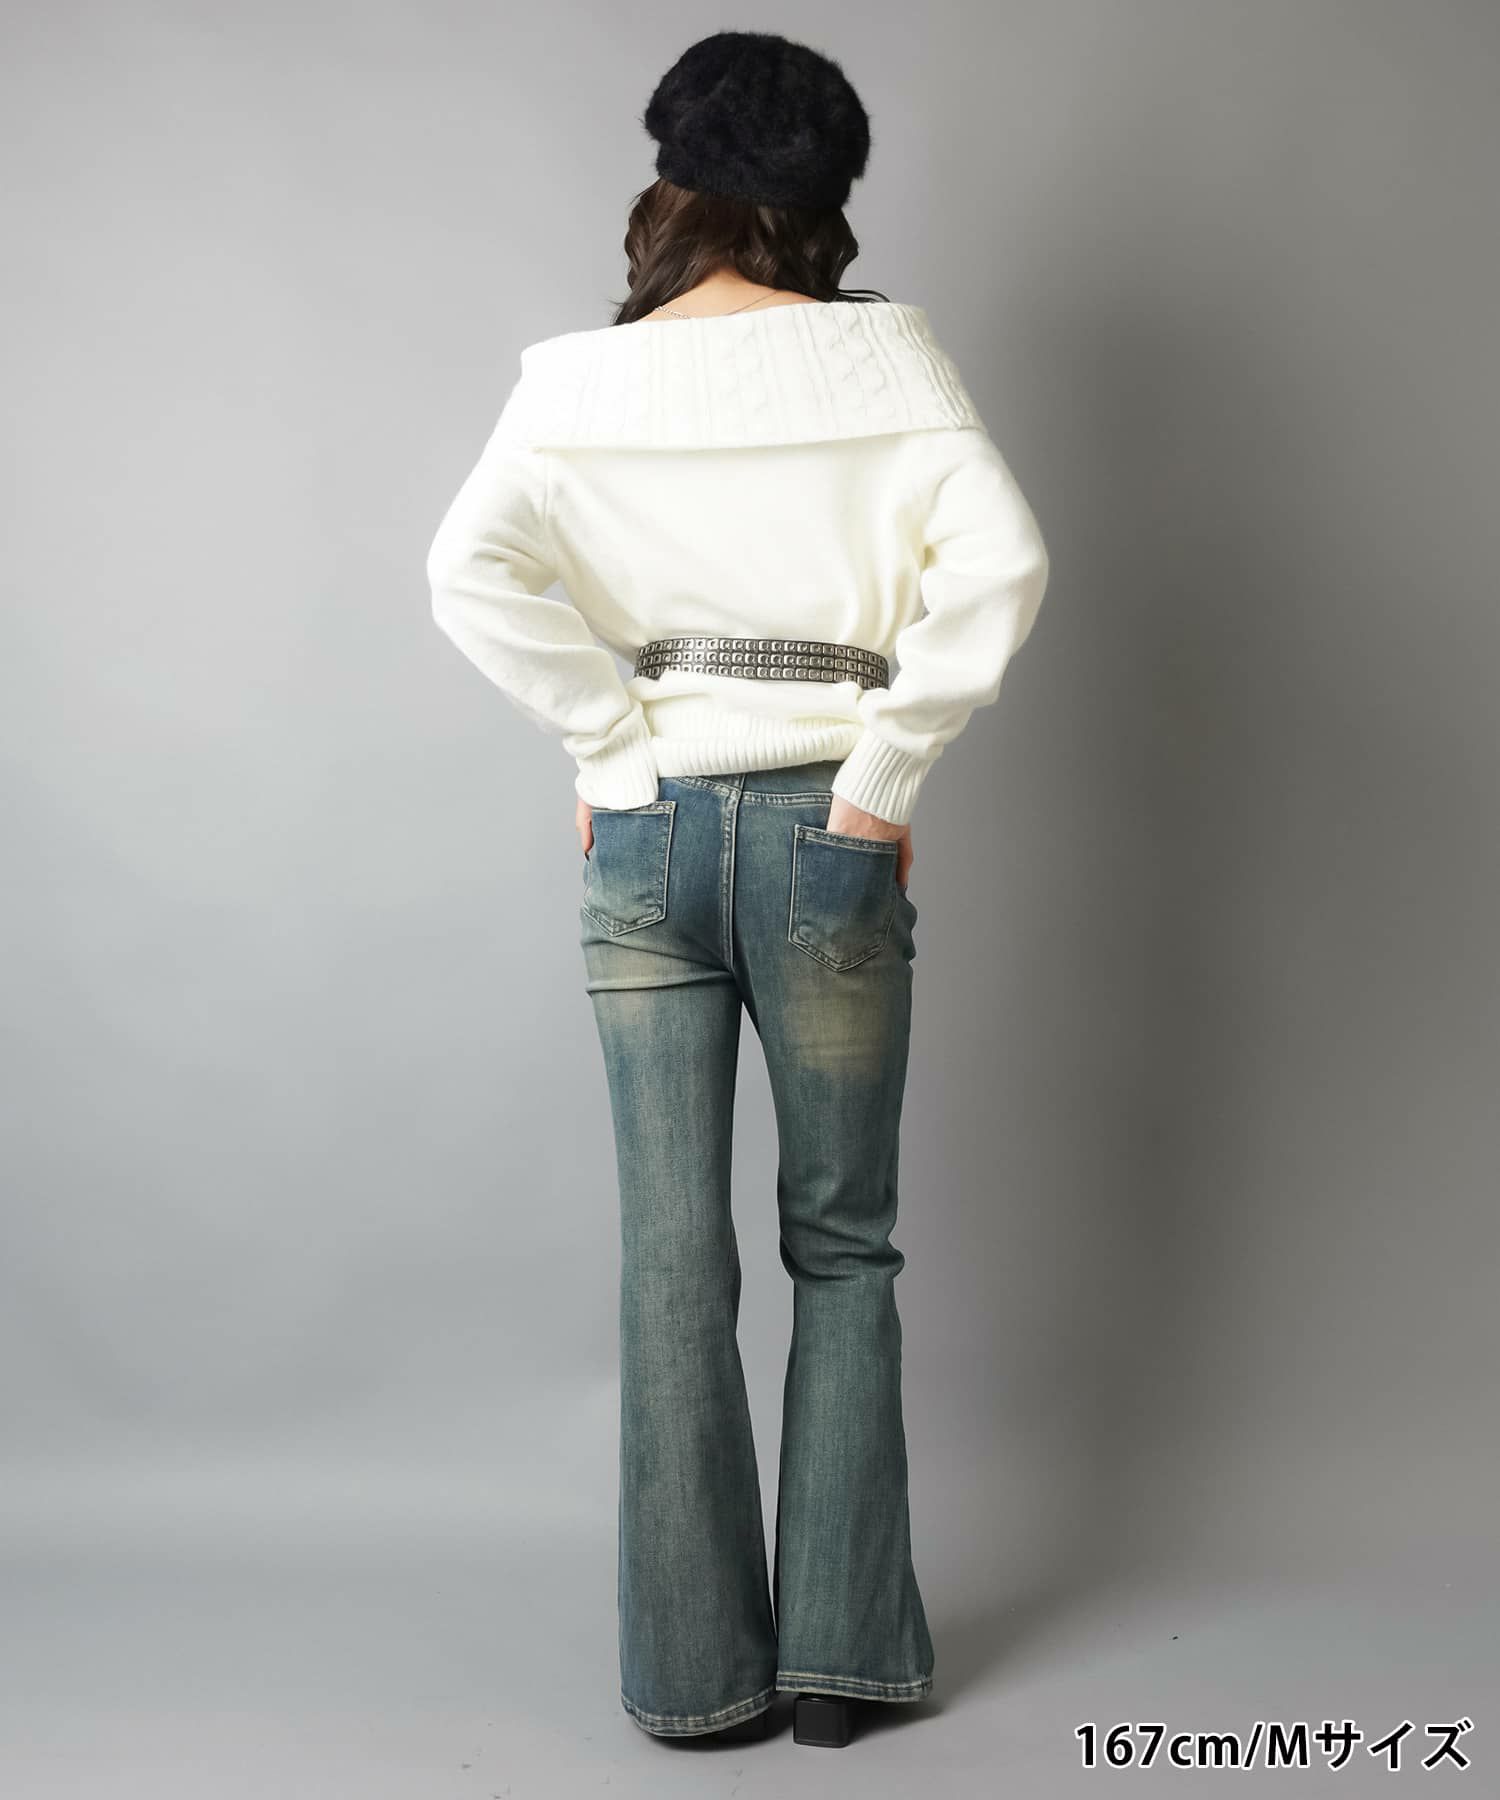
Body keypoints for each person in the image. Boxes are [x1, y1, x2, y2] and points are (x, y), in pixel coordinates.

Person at [425, 27, 1050, 1751]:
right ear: (822, 203)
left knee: (666, 1264)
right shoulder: (890, 366)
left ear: (673, 186)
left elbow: (467, 572)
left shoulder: (579, 383)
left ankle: (698, 1682)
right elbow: (1005, 564)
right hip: (827, 842)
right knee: (842, 1245)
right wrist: (881, 776)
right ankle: (839, 1665)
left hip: (645, 840)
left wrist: (610, 745)